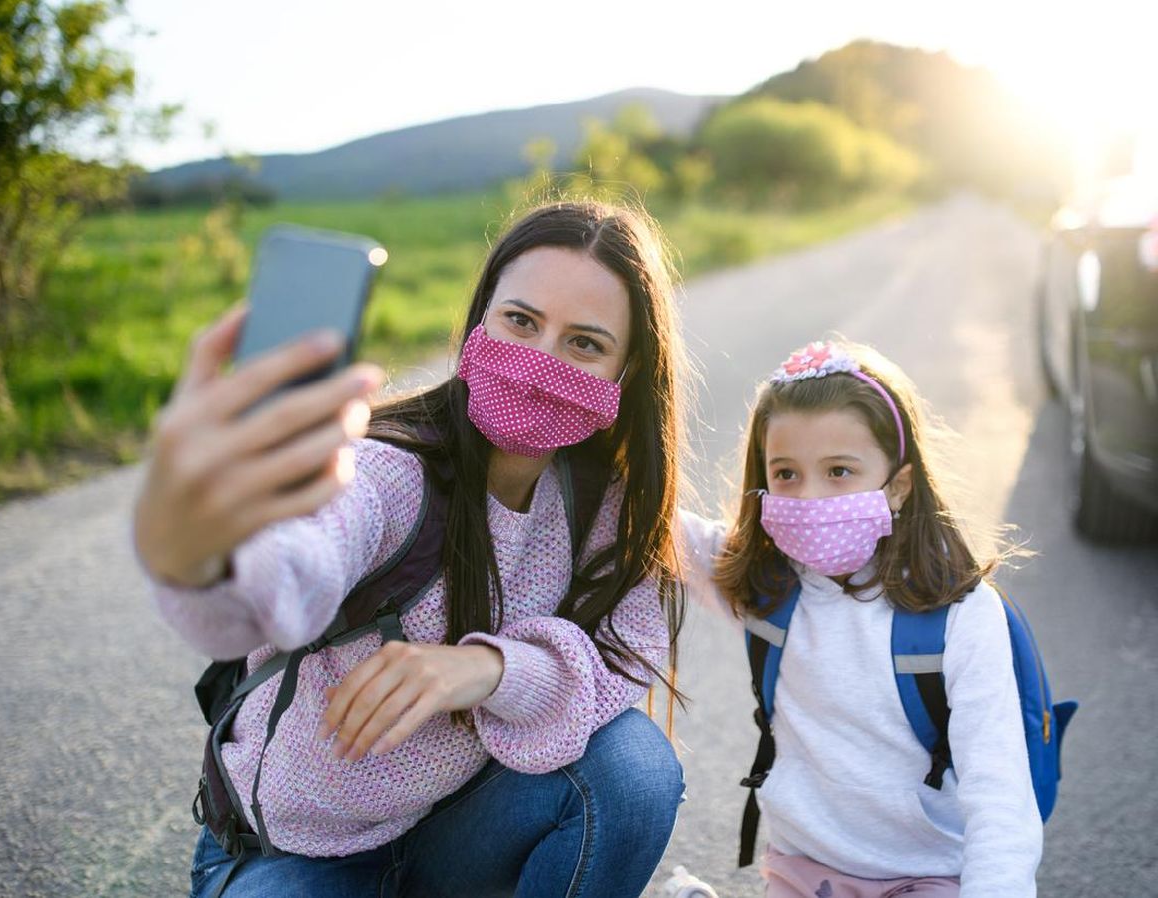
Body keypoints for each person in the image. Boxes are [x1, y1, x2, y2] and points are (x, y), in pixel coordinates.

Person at [132, 200, 689, 897]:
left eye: (584, 343)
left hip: (455, 839)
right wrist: (192, 549)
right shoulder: (388, 471)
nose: (537, 362)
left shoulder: (611, 505)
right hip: (295, 855)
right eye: (520, 321)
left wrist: (484, 668)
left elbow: (620, 666)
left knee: (634, 767)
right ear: (480, 322)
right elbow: (280, 586)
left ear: (627, 372)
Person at [679, 339, 1042, 897]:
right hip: (804, 872)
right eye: (786, 474)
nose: (809, 497)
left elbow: (1001, 798)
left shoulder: (960, 617)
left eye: (840, 471)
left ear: (898, 485)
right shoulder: (766, 586)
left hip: (930, 875)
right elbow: (651, 517)